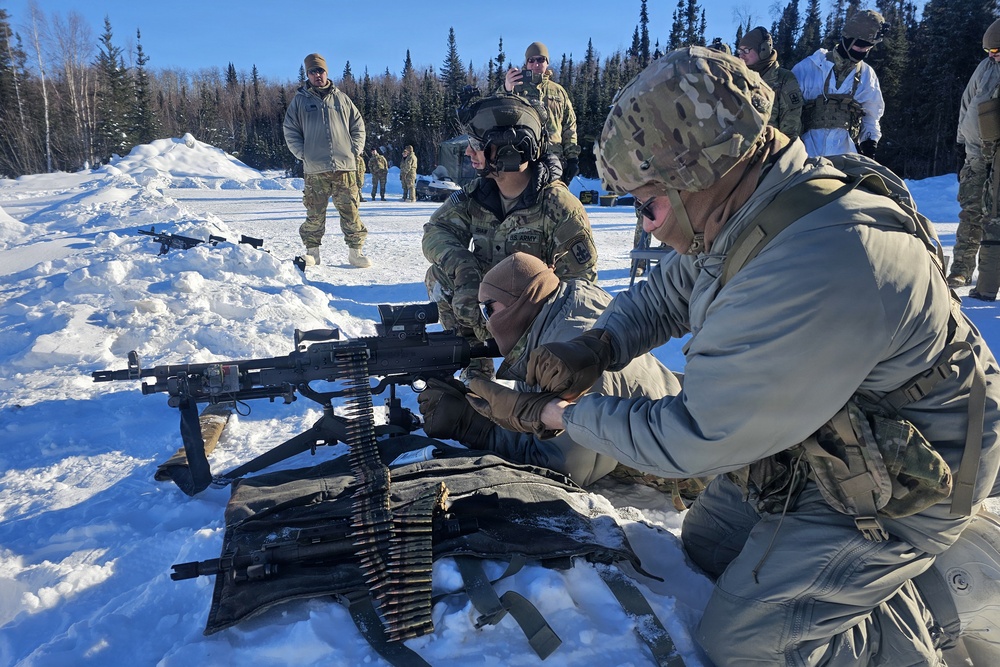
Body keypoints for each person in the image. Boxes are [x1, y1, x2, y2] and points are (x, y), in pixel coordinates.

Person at [465, 48, 1000, 665]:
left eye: (648, 205)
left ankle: (950, 588)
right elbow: (673, 287)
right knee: (710, 547)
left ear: (704, 171)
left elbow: (694, 436)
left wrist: (549, 415)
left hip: (914, 476)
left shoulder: (814, 262)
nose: (647, 229)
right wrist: (598, 344)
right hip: (833, 434)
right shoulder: (756, 205)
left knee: (747, 644)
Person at [418, 252, 693, 499]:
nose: (486, 320)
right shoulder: (568, 304)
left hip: (688, 466)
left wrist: (476, 429)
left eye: (488, 309)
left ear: (519, 302)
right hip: (678, 410)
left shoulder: (566, 350)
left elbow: (568, 467)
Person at [421, 94, 598, 380]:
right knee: (438, 274)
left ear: (509, 150)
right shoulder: (478, 194)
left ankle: (536, 380)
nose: (468, 153)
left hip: (534, 323)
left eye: (477, 146)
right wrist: (464, 270)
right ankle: (474, 367)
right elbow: (436, 231)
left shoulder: (559, 207)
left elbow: (581, 292)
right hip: (485, 308)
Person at [282, 53, 371, 268]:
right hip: (315, 169)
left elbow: (358, 125)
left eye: (320, 70)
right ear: (308, 75)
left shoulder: (341, 98)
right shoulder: (300, 101)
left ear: (326, 72)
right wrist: (303, 153)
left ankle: (355, 252)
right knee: (314, 212)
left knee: (350, 210)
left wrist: (355, 149)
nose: (317, 75)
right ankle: (312, 253)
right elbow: (290, 130)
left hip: (345, 166)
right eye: (312, 72)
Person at [792, 9, 886, 158]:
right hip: (806, 156)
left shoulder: (867, 75)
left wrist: (870, 143)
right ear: (848, 39)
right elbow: (788, 110)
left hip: (846, 159)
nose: (864, 51)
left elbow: (871, 115)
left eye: (869, 47)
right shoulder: (808, 68)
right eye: (861, 45)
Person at [951, 18, 1000, 291]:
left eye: (997, 51)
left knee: (995, 216)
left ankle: (990, 278)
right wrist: (962, 141)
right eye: (988, 51)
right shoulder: (985, 67)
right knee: (970, 212)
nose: (992, 56)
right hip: (975, 152)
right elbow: (967, 102)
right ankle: (960, 271)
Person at [501, 42, 581, 185]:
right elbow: (499, 111)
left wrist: (572, 158)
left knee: (554, 200)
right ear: (526, 63)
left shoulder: (559, 92)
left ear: (547, 62)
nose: (536, 64)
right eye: (531, 60)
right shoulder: (515, 87)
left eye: (540, 59)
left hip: (554, 158)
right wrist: (507, 88)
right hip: (523, 158)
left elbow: (569, 126)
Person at [738, 26, 803, 140]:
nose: (741, 55)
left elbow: (791, 128)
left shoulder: (784, 79)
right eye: (740, 50)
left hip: (771, 151)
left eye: (746, 50)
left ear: (763, 50)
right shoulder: (740, 78)